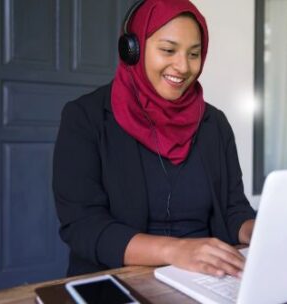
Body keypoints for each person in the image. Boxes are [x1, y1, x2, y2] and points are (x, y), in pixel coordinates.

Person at [53, 0, 256, 278]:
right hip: (120, 278)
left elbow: (233, 209)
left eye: (194, 54)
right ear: (132, 50)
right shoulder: (85, 117)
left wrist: (257, 230)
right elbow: (83, 225)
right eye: (168, 50)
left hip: (207, 276)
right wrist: (176, 251)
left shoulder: (215, 125)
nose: (183, 66)